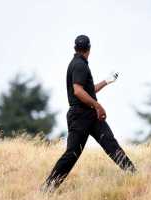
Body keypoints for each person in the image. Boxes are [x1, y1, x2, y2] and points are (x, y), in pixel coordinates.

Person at [42, 35, 136, 192]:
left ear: (74, 48)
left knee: (111, 144)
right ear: (89, 48)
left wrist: (106, 81)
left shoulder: (78, 64)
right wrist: (98, 105)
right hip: (80, 116)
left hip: (91, 115)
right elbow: (78, 92)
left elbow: (87, 92)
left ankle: (134, 175)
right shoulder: (80, 65)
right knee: (72, 154)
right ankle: (47, 189)